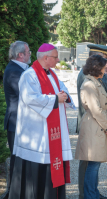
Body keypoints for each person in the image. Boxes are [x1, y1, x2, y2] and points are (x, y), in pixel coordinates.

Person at [9, 43, 75, 199]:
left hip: (50, 136)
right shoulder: (29, 75)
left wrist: (65, 96)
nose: (58, 60)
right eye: (55, 57)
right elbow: (30, 98)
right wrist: (55, 98)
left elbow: (63, 91)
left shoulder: (52, 74)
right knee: (37, 175)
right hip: (37, 137)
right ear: (46, 58)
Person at [75, 55, 107, 199]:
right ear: (97, 68)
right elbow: (96, 110)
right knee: (93, 164)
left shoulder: (96, 82)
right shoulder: (89, 84)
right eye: (104, 66)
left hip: (97, 126)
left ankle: (93, 193)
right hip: (94, 126)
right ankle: (90, 195)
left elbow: (104, 107)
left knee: (95, 164)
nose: (106, 69)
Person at [3, 41, 31, 198]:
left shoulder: (20, 69)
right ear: (21, 55)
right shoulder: (14, 71)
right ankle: (13, 194)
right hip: (16, 122)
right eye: (28, 52)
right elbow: (26, 96)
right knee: (18, 160)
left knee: (21, 159)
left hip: (21, 122)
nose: (29, 55)